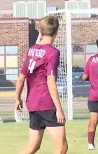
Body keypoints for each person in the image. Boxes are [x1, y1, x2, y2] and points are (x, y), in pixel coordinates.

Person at [14, 15, 68, 154]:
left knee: (33, 146)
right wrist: (59, 108)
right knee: (61, 147)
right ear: (56, 32)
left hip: (32, 103)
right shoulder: (53, 52)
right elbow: (50, 81)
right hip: (46, 103)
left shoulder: (31, 50)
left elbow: (21, 78)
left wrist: (17, 99)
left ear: (41, 31)